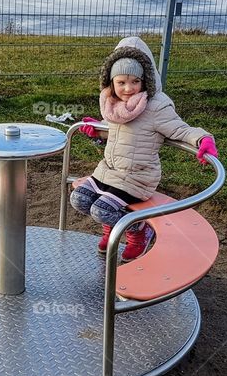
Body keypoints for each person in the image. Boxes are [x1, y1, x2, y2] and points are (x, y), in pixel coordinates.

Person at [70, 36, 218, 263]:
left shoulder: (156, 106)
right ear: (111, 82)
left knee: (101, 209)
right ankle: (112, 228)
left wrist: (203, 140)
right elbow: (113, 130)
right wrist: (97, 129)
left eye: (135, 81)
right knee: (79, 198)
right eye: (121, 82)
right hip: (109, 170)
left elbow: (181, 130)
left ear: (145, 80)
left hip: (137, 177)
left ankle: (139, 230)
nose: (128, 89)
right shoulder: (113, 103)